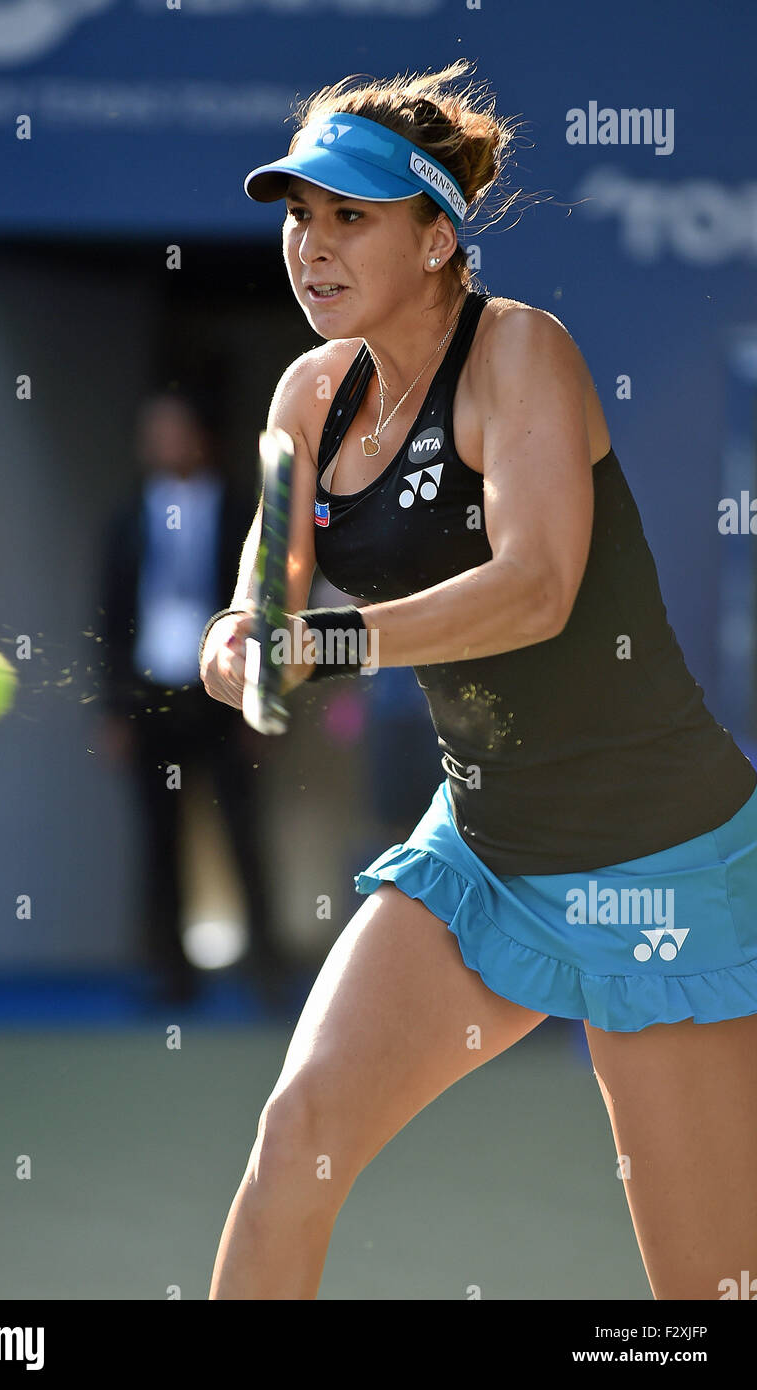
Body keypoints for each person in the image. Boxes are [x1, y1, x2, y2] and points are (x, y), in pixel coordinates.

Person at [197, 61, 757, 1300]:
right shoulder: (304, 399)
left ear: (437, 235)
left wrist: (328, 647)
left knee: (710, 1288)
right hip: (483, 851)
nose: (311, 246)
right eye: (298, 216)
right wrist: (240, 649)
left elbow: (537, 586)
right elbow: (260, 595)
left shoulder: (522, 354)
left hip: (660, 863)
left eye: (349, 216)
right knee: (296, 1145)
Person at [98, 390, 284, 1004]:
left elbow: (267, 607)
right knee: (160, 836)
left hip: (224, 695)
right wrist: (114, 708)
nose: (163, 443)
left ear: (202, 439)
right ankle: (171, 974)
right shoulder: (126, 519)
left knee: (242, 829)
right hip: (152, 696)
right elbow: (110, 617)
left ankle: (266, 970)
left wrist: (260, 699)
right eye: (153, 433)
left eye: (175, 431)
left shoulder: (241, 514)